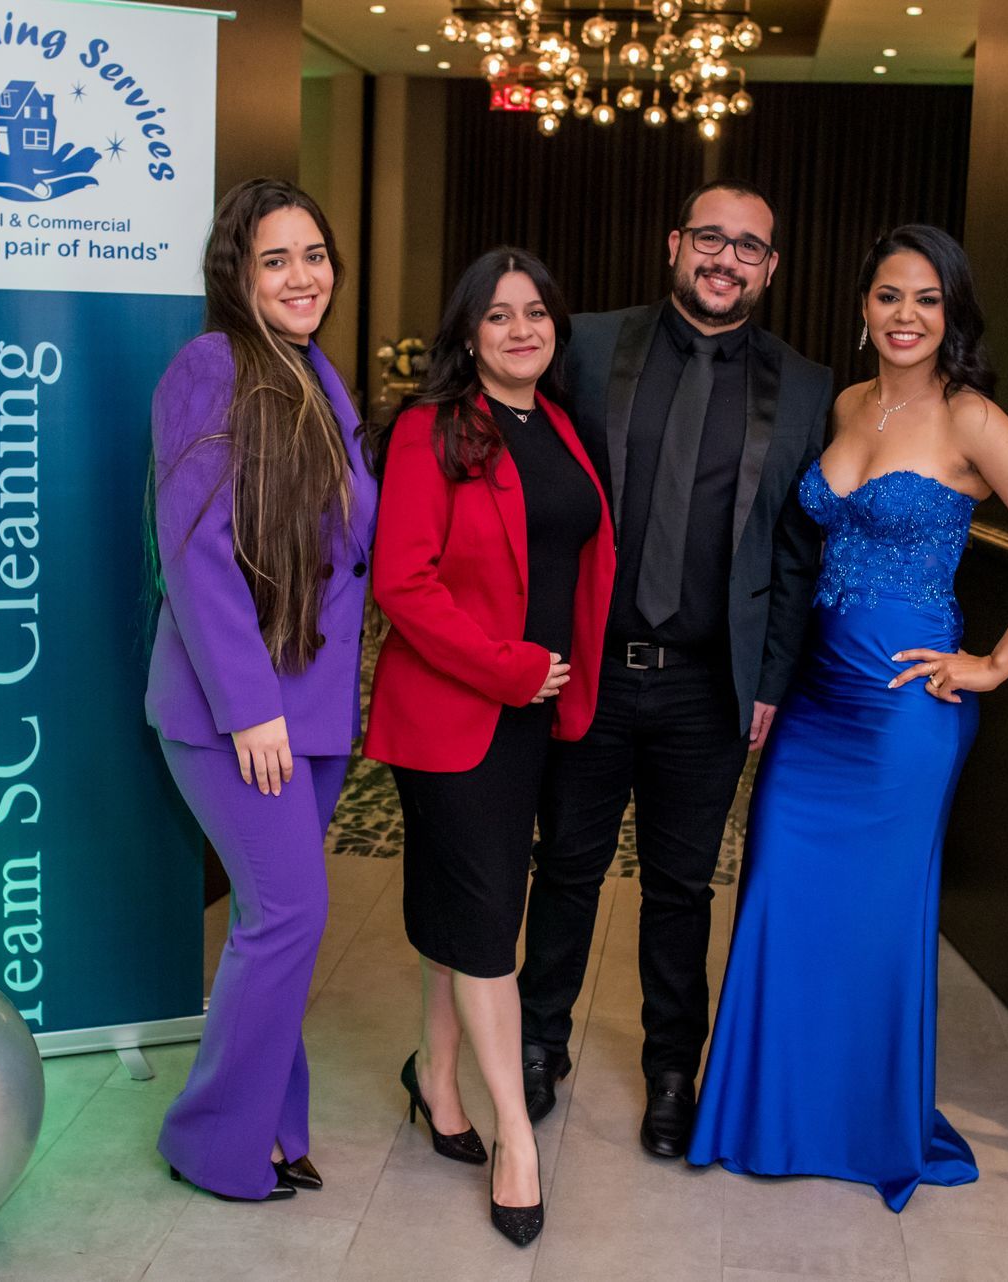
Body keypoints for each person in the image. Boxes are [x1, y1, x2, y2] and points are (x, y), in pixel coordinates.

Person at [687, 224, 1008, 1209]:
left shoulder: (971, 418)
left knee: (873, 922)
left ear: (951, 314)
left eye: (927, 298)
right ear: (864, 306)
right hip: (817, 700)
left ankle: (861, 1126)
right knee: (778, 891)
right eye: (889, 295)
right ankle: (765, 1115)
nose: (905, 315)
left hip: (904, 713)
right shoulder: (846, 404)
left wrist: (994, 662)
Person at [516, 181, 831, 1159]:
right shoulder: (584, 346)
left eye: (749, 246)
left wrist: (771, 678)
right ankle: (536, 1044)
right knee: (565, 867)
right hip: (590, 668)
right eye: (710, 237)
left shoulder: (806, 388)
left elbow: (794, 552)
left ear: (770, 268)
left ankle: (670, 1073)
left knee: (681, 888)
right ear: (673, 244)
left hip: (709, 682)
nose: (725, 258)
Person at [363, 247, 614, 1246]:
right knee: (484, 929)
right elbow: (403, 580)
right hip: (456, 714)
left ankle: (436, 1076)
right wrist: (510, 667)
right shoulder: (432, 430)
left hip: (539, 718)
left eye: (536, 313)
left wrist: (552, 685)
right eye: (499, 315)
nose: (521, 330)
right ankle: (517, 1138)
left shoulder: (559, 424)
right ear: (468, 334)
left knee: (466, 913)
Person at [144, 178, 377, 1202]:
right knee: (288, 914)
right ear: (235, 274)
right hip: (237, 714)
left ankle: (275, 1124)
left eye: (313, 255)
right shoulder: (211, 367)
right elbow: (196, 552)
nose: (301, 276)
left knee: (272, 919)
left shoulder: (316, 371)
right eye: (274, 259)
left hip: (312, 711)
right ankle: (210, 1138)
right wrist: (251, 708)